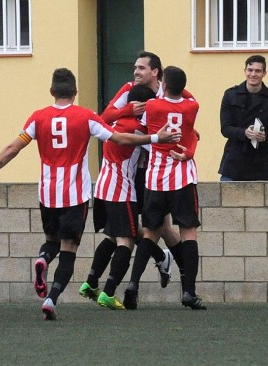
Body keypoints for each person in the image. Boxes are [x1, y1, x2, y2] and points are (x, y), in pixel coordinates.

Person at [0, 68, 181, 320]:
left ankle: (44, 258)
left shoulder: (38, 118)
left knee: (51, 241)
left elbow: (13, 148)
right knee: (69, 249)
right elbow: (119, 138)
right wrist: (156, 137)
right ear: (75, 92)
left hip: (47, 193)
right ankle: (51, 299)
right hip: (75, 195)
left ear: (52, 92)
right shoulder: (86, 116)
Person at [101, 51, 194, 309]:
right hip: (136, 171)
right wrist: (129, 110)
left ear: (156, 72)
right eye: (135, 67)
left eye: (141, 68)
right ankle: (174, 274)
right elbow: (105, 116)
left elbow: (188, 116)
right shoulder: (129, 90)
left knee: (161, 227)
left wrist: (190, 138)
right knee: (150, 228)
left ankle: (183, 278)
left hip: (157, 169)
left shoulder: (169, 93)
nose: (136, 72)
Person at [78, 84, 156, 310]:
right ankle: (109, 293)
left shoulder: (112, 122)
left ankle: (91, 283)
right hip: (121, 189)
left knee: (111, 237)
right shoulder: (139, 129)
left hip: (102, 186)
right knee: (127, 241)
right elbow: (158, 145)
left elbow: (106, 116)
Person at [136, 65, 206, 310]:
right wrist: (175, 86)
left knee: (150, 231)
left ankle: (133, 285)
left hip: (156, 176)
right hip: (182, 177)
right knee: (188, 231)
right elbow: (187, 97)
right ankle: (189, 291)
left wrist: (162, 88)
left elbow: (143, 126)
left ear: (164, 84)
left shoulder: (153, 106)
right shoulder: (191, 106)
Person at [218, 54, 268, 181]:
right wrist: (244, 133)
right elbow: (225, 129)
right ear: (245, 71)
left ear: (264, 73)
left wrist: (265, 136)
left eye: (258, 71)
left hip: (259, 163)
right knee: (228, 200)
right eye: (250, 70)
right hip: (233, 161)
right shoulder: (230, 95)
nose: (253, 74)